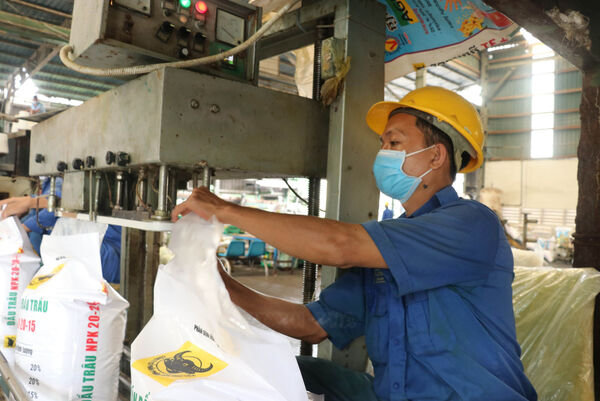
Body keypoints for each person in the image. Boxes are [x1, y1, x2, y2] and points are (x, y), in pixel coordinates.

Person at [172, 86, 537, 401]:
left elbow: (340, 245)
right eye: (383, 144)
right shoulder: (386, 248)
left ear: (436, 156)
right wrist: (220, 282)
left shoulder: (472, 224)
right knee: (274, 367)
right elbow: (309, 324)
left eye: (394, 143)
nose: (383, 153)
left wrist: (225, 210)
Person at [0, 177, 121, 283]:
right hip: (100, 254)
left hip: (109, 247)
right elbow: (62, 203)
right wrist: (29, 207)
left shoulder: (55, 183)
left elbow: (66, 202)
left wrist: (29, 206)